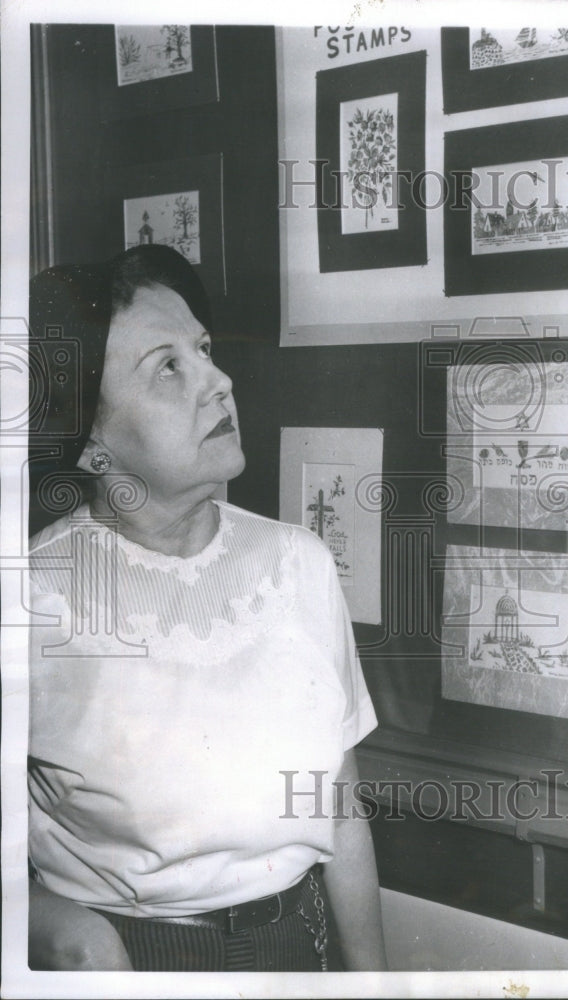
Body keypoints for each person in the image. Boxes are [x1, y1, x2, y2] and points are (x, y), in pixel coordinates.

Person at [27, 245, 387, 972]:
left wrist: (376, 985)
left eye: (204, 350)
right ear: (91, 441)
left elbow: (341, 812)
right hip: (131, 960)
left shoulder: (299, 565)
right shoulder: (30, 597)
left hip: (300, 949)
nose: (219, 381)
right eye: (168, 367)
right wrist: (62, 928)